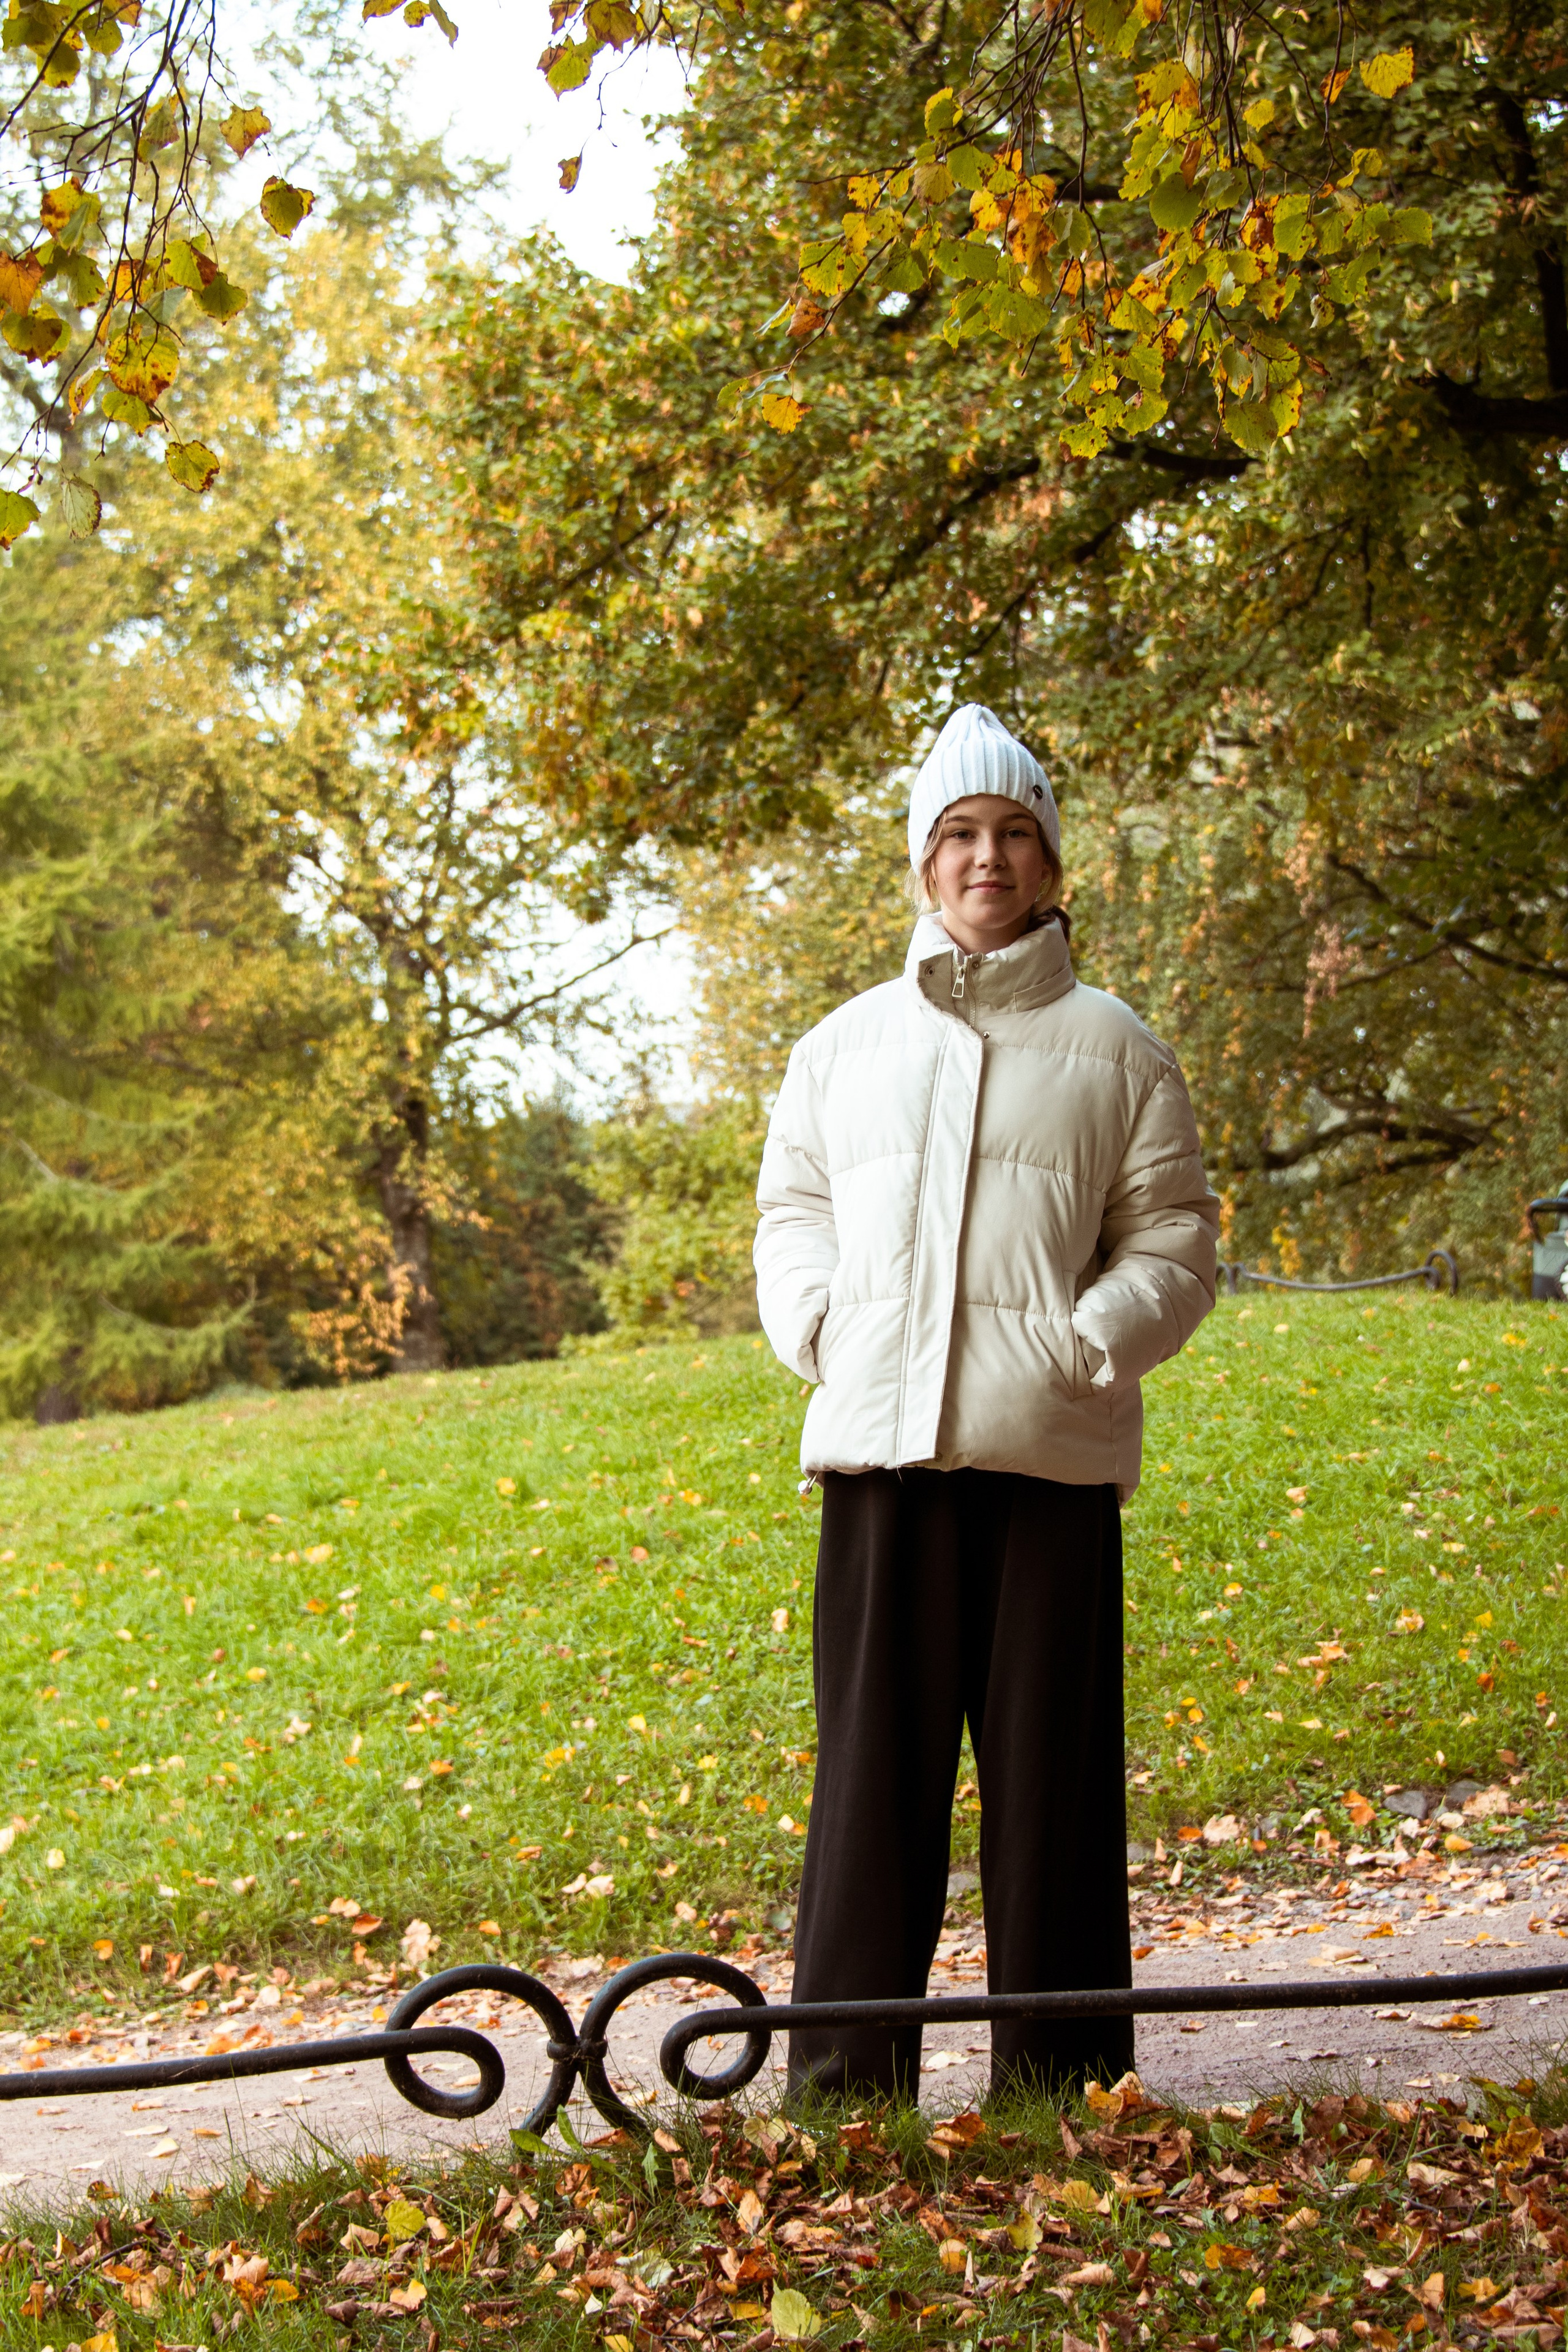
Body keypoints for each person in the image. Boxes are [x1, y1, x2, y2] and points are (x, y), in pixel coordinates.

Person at [753, 703, 1219, 2100]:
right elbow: (792, 1215)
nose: (987, 858)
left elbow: (1175, 1241)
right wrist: (820, 1324)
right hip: (879, 1463)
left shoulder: (1118, 1048)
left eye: (1015, 833)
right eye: (958, 832)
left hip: (1050, 1464)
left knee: (1051, 1794)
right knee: (869, 1791)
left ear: (1051, 861)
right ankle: (845, 2095)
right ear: (921, 859)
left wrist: (1089, 1342)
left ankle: (1063, 2089)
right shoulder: (840, 1048)